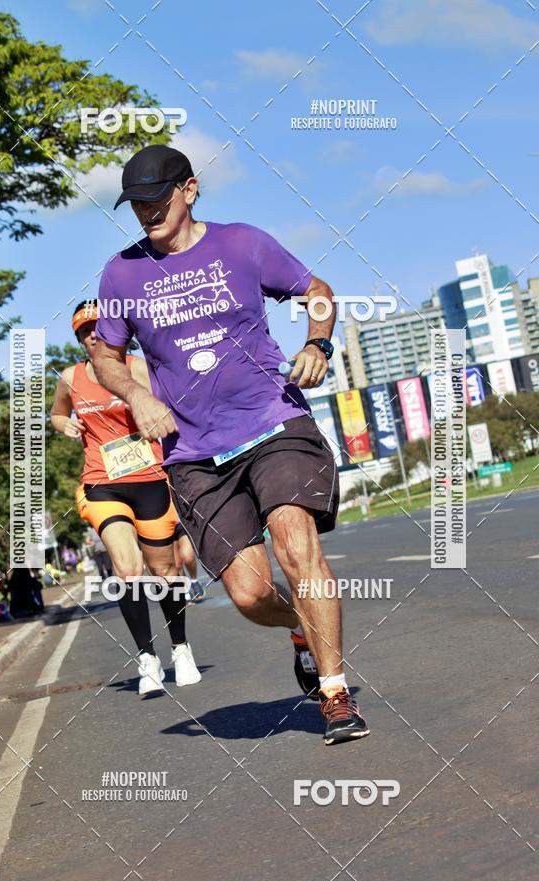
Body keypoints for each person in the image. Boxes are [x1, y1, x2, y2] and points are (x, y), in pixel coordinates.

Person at [92, 145, 369, 745]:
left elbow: (316, 290)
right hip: (195, 452)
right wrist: (136, 395)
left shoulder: (243, 243)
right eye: (136, 205)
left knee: (296, 543)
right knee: (248, 593)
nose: (146, 213)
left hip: (273, 421)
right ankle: (304, 625)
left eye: (156, 200)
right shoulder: (121, 272)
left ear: (189, 190)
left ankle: (335, 694)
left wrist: (318, 344)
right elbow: (106, 354)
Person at [50, 300, 201, 694]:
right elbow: (57, 414)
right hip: (103, 482)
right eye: (84, 331)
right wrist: (63, 422)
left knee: (165, 572)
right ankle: (147, 658)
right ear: (79, 341)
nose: (93, 335)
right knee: (126, 569)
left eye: (98, 327)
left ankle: (180, 649)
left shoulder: (138, 370)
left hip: (150, 478)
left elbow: (175, 408)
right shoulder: (70, 378)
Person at [173, 523, 205, 603]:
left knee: (188, 557)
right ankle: (185, 588)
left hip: (179, 522)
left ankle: (194, 581)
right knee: (177, 564)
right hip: (163, 526)